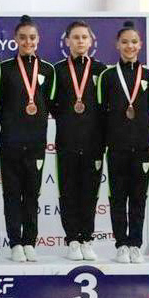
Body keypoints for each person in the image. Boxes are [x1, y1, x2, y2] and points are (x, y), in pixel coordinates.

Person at [97, 21, 149, 264]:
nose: (129, 46)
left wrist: (139, 134)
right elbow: (102, 113)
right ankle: (121, 244)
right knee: (118, 197)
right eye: (125, 42)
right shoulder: (108, 76)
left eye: (134, 42)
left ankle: (135, 244)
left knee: (138, 198)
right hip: (116, 148)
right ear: (117, 45)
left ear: (140, 45)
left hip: (141, 148)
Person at [0, 15, 55, 263]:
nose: (27, 42)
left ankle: (30, 241)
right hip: (10, 141)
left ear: (38, 39)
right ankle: (15, 243)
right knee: (12, 195)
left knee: (32, 195)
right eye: (23, 38)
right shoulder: (4, 69)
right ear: (15, 39)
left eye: (32, 37)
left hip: (36, 143)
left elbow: (50, 104)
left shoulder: (48, 70)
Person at [50, 21, 107, 261]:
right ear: (67, 41)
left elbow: (106, 106)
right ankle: (73, 239)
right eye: (76, 37)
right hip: (67, 142)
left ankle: (87, 239)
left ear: (91, 41)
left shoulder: (101, 70)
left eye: (84, 37)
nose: (80, 41)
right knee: (68, 192)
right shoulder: (58, 70)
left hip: (94, 143)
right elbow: (51, 104)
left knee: (89, 193)